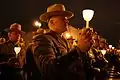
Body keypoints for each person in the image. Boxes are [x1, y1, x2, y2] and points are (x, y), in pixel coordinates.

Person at [26, 4, 94, 80]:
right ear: (52, 22)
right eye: (63, 19)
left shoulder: (65, 41)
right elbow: (49, 70)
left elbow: (74, 66)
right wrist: (78, 50)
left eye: (67, 19)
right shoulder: (42, 39)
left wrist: (84, 51)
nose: (67, 21)